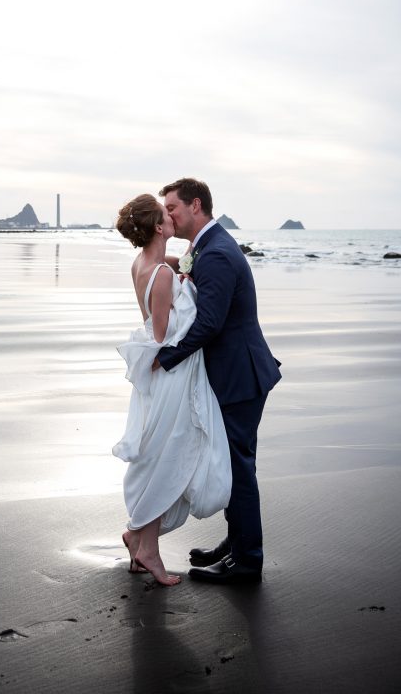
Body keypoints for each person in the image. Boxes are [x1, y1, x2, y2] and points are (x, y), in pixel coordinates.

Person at [156, 178, 281, 585]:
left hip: (239, 377)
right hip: (235, 373)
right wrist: (162, 262)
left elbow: (210, 322)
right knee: (236, 464)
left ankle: (248, 562)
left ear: (196, 206)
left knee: (239, 468)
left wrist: (167, 357)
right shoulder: (205, 248)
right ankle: (235, 545)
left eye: (172, 207)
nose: (168, 215)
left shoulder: (218, 254)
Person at [113, 194, 231, 586]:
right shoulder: (161, 273)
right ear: (160, 227)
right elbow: (164, 335)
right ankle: (148, 550)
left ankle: (138, 541)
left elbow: (170, 284)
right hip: (170, 375)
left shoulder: (145, 264)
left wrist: (186, 276)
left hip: (160, 375)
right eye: (167, 215)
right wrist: (188, 297)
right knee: (167, 456)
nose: (173, 218)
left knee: (159, 455)